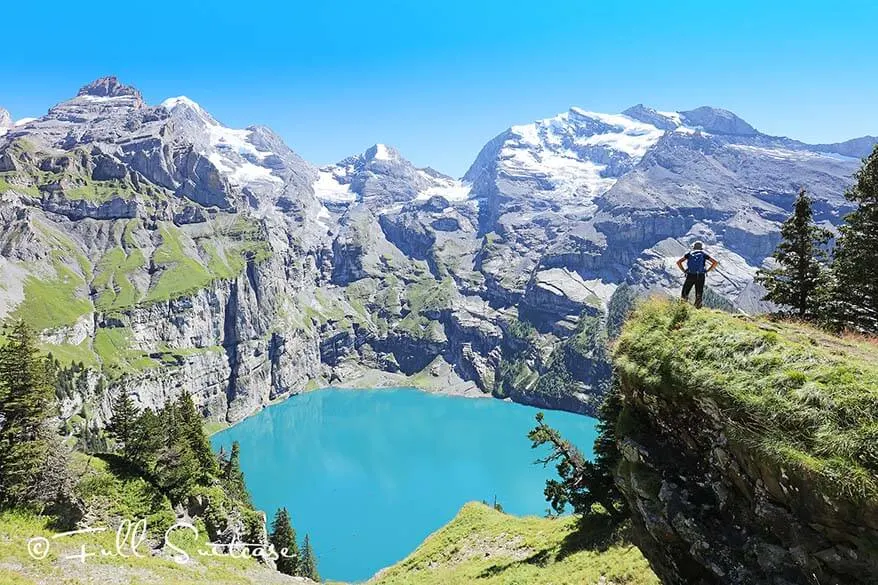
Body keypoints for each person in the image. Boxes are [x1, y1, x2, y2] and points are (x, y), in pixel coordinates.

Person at [676, 241, 717, 309]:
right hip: (701, 275)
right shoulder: (703, 254)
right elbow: (715, 262)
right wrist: (707, 270)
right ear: (701, 248)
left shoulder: (689, 254)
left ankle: (682, 308)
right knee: (699, 293)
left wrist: (684, 270)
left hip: (690, 275)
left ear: (694, 247)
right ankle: (697, 309)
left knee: (685, 292)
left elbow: (678, 262)